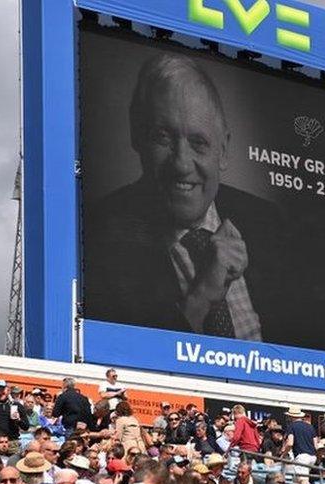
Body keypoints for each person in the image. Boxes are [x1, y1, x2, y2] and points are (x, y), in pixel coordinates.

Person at [85, 50, 287, 342]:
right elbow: (130, 361)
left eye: (198, 142)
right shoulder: (96, 238)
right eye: (163, 137)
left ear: (224, 150)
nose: (181, 164)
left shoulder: (270, 223)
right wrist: (202, 297)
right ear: (137, 136)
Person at [284, 407, 316, 484]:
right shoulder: (310, 427)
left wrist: (283, 454)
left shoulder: (292, 426)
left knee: (303, 480)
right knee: (297, 481)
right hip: (312, 456)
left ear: (291, 416)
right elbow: (316, 445)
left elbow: (290, 443)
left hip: (302, 456)